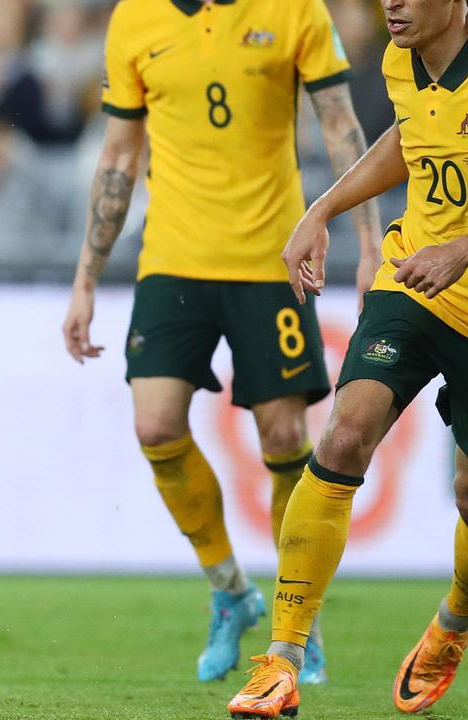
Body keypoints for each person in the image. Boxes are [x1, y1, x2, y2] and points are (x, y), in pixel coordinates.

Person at [62, 0, 383, 684]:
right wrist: (86, 279)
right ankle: (231, 591)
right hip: (173, 259)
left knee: (282, 438)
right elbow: (119, 156)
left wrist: (369, 240)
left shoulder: (294, 9)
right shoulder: (136, 19)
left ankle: (300, 625)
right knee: (154, 427)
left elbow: (339, 122)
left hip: (271, 260)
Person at [229, 1, 468, 716]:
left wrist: (461, 248)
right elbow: (412, 139)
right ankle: (281, 661)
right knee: (342, 432)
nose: (392, 3)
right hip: (415, 280)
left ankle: (453, 622)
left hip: (453, 264)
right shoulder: (402, 60)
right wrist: (321, 209)